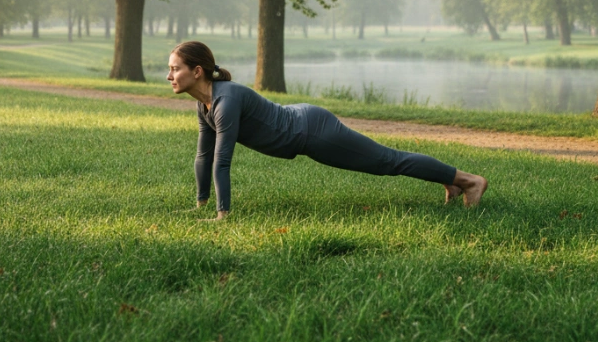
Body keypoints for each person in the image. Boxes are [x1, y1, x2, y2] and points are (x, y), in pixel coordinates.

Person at [167, 41, 488, 221]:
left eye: (175, 69)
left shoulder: (226, 101)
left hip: (313, 131)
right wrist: (201, 204)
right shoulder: (206, 105)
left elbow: (222, 162)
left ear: (197, 71)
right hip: (303, 125)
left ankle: (469, 181)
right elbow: (203, 157)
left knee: (388, 162)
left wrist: (223, 217)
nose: (169, 76)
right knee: (387, 162)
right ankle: (451, 181)